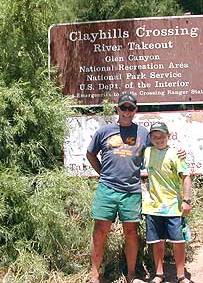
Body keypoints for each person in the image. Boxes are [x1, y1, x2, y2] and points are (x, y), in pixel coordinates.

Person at [86, 93, 149, 283]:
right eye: (124, 108)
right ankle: (95, 276)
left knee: (131, 233)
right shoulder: (104, 131)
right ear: (118, 109)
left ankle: (131, 275)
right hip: (107, 189)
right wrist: (102, 173)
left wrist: (178, 151)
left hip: (131, 191)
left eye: (131, 108)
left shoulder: (143, 133)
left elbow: (159, 149)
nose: (127, 112)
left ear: (135, 110)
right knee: (100, 231)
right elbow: (90, 154)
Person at [142, 122, 193, 283]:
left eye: (162, 136)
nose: (159, 139)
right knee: (157, 242)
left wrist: (186, 200)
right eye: (155, 136)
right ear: (150, 138)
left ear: (168, 136)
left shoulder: (176, 154)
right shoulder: (147, 152)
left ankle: (181, 276)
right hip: (153, 207)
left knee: (178, 242)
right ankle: (159, 274)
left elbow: (186, 177)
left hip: (173, 206)